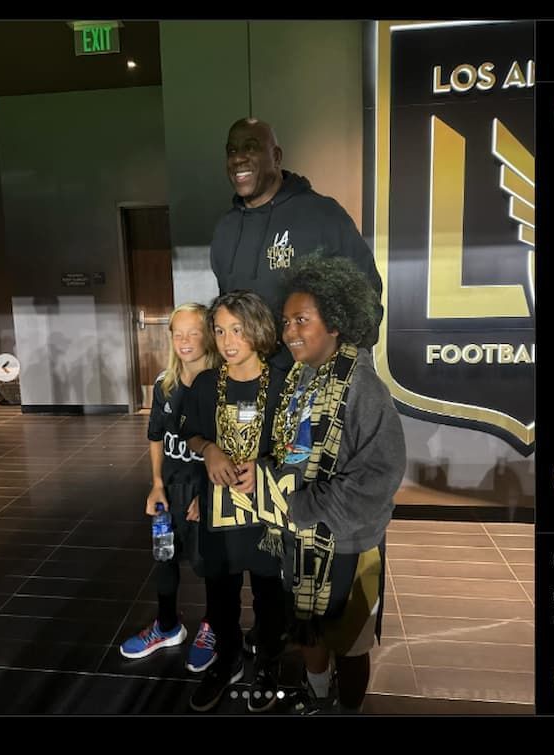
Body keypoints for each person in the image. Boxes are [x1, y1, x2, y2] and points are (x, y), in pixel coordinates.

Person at [240, 255, 405, 714]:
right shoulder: (300, 378)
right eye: (286, 320)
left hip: (348, 543)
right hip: (299, 537)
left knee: (349, 644)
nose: (289, 331)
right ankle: (315, 695)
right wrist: (264, 475)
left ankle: (347, 708)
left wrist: (305, 504)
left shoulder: (364, 389)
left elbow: (380, 475)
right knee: (307, 628)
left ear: (335, 323)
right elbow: (291, 447)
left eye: (302, 320)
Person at [179, 291, 292, 712]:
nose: (228, 341)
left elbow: (295, 448)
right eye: (221, 330)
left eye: (237, 330)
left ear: (258, 329)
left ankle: (268, 662)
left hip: (265, 506)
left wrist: (264, 466)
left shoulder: (284, 382)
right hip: (218, 503)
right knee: (220, 591)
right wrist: (209, 449)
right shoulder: (207, 383)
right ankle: (226, 661)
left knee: (269, 591)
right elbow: (191, 431)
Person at [210, 117, 383, 369]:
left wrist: (344, 367)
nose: (238, 159)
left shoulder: (322, 214)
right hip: (251, 383)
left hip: (309, 384)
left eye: (251, 147)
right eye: (232, 151)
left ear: (276, 156)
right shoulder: (225, 229)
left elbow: (366, 295)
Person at [118, 303, 221, 669]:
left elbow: (231, 447)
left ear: (208, 335)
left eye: (194, 332)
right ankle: (166, 626)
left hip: (207, 492)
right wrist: (156, 484)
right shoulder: (165, 383)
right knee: (164, 557)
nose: (185, 340)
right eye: (178, 333)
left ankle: (213, 627)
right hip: (172, 490)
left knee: (210, 564)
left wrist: (208, 496)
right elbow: (156, 438)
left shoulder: (223, 385)